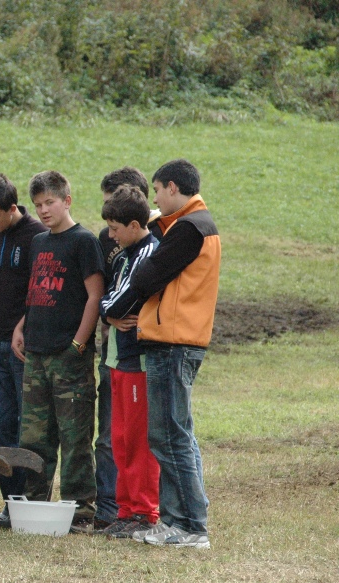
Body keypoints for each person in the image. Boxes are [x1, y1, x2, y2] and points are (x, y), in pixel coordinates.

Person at [129, 159, 220, 549]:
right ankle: (177, 519)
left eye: (156, 191)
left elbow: (145, 278)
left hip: (173, 341)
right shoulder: (194, 224)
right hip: (181, 339)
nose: (154, 200)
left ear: (171, 187)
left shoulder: (188, 229)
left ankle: (189, 525)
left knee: (168, 435)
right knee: (177, 432)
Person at [12, 171, 104, 530]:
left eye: (49, 202)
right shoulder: (38, 242)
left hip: (69, 355)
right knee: (34, 435)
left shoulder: (84, 241)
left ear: (67, 201)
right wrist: (21, 327)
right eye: (38, 205)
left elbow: (94, 296)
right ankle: (34, 503)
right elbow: (37, 292)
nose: (43, 210)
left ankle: (80, 510)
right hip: (35, 352)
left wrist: (78, 344)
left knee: (74, 434)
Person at [91, 167, 162, 530]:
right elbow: (108, 303)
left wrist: (110, 309)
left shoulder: (148, 254)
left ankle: (145, 512)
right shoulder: (123, 256)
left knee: (137, 441)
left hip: (138, 360)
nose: (111, 235)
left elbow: (119, 303)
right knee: (119, 439)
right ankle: (124, 510)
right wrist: (110, 310)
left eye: (115, 228)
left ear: (135, 225)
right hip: (117, 357)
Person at [0, 174, 47, 527]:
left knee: (25, 427)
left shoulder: (37, 236)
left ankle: (29, 505)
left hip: (23, 347)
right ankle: (10, 504)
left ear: (12, 209)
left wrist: (23, 327)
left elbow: (38, 290)